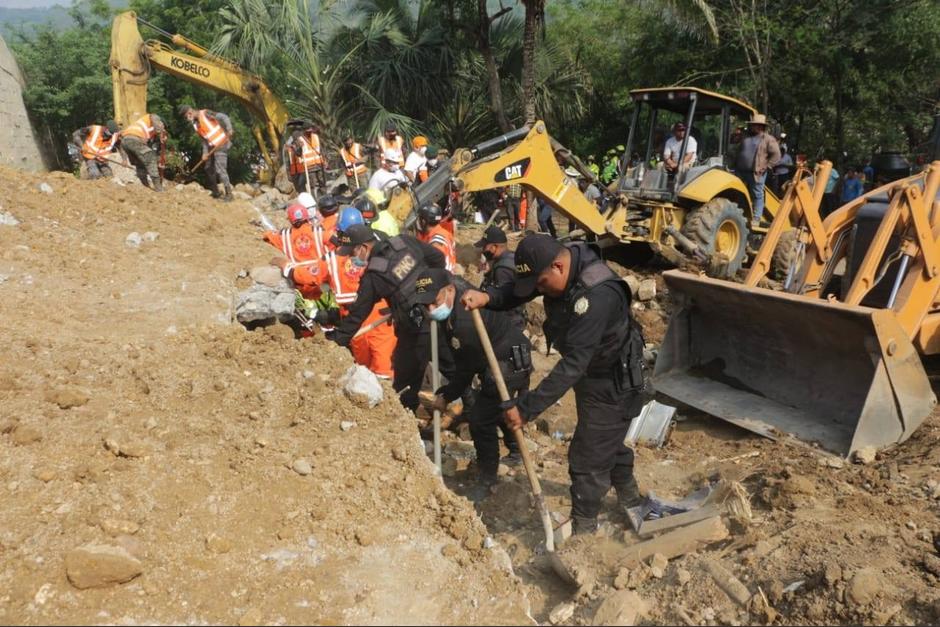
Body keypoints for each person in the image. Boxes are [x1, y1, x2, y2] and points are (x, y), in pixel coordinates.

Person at [461, 234, 646, 534]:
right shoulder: (558, 268)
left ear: (558, 267)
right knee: (604, 441)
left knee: (587, 457)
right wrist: (489, 297)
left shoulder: (596, 296)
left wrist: (527, 408)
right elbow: (523, 289)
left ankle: (584, 537)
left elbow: (573, 364)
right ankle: (631, 499)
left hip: (613, 381)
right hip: (593, 374)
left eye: (542, 283)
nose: (538, 290)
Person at [417, 268, 531, 500]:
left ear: (449, 290)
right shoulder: (452, 307)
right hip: (499, 358)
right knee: (495, 407)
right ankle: (516, 450)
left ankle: (487, 479)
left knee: (480, 419)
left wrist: (446, 396)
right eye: (426, 305)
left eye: (434, 302)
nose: (431, 310)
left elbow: (466, 369)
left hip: (509, 362)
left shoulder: (465, 322)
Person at [328, 224, 448, 412]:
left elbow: (357, 315)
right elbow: (438, 259)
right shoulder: (404, 241)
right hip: (446, 310)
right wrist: (432, 290)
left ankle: (405, 423)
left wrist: (335, 341)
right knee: (455, 365)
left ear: (363, 248)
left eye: (352, 252)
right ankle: (464, 409)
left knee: (404, 379)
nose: (352, 257)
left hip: (417, 328)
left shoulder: (374, 274)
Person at [325, 208, 397, 379]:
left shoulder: (340, 256)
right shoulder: (382, 239)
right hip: (378, 316)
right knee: (374, 370)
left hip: (369, 317)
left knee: (379, 371)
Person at [261, 202, 325, 301]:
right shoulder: (320, 231)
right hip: (320, 280)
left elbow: (268, 236)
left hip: (298, 281)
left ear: (290, 220)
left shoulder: (284, 236)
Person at [732, 113, 781, 226]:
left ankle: (756, 218)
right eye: (752, 125)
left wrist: (768, 166)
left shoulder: (768, 139)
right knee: (737, 192)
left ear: (761, 126)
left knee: (757, 194)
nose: (752, 127)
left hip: (756, 172)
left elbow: (776, 155)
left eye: (755, 125)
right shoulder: (746, 137)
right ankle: (740, 214)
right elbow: (737, 149)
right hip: (740, 171)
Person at [179, 105, 234, 201]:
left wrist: (229, 128)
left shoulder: (206, 113)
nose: (187, 118)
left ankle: (229, 194)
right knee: (208, 167)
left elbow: (224, 117)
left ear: (190, 112)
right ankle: (216, 192)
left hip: (221, 144)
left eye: (186, 116)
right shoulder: (196, 124)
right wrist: (204, 153)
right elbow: (204, 140)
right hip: (212, 146)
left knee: (220, 170)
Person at [119, 113, 167, 191]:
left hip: (125, 142)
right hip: (134, 140)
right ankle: (158, 188)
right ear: (161, 123)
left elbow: (121, 143)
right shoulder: (153, 117)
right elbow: (154, 117)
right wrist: (161, 131)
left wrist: (124, 159)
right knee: (150, 157)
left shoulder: (145, 129)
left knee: (140, 162)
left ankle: (145, 185)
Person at [416, 203, 456, 272]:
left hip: (442, 278)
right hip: (448, 274)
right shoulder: (445, 233)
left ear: (423, 221)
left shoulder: (436, 243)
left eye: (419, 218)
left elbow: (434, 268)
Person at [289, 122, 327, 194]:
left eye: (310, 130)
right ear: (304, 131)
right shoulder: (300, 140)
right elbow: (298, 154)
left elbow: (321, 149)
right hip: (309, 167)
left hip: (319, 164)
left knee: (322, 182)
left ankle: (325, 196)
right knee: (312, 184)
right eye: (307, 130)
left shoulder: (316, 136)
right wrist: (299, 147)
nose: (309, 131)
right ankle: (314, 201)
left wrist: (325, 160)